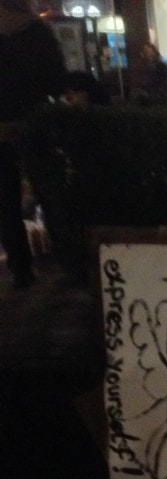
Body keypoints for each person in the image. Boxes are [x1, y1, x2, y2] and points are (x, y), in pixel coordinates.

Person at [0, 0, 66, 288]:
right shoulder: (38, 32)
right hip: (35, 122)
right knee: (49, 193)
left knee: (6, 201)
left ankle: (20, 268)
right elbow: (58, 81)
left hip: (0, 130)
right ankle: (65, 258)